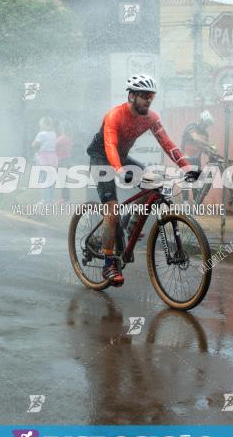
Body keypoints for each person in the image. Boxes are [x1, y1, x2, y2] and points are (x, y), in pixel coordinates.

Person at [86, 74, 200, 286]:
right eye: (144, 96)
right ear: (131, 96)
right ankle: (109, 263)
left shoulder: (151, 117)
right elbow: (110, 145)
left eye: (151, 96)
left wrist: (185, 166)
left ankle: (130, 225)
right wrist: (119, 170)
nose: (148, 100)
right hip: (102, 157)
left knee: (153, 185)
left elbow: (167, 143)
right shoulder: (114, 116)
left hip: (121, 157)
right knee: (111, 209)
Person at [181, 110, 217, 203]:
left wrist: (211, 152)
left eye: (207, 125)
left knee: (196, 182)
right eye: (205, 124)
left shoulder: (205, 133)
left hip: (197, 159)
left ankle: (196, 202)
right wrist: (209, 145)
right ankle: (185, 203)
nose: (206, 127)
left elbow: (204, 147)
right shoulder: (191, 126)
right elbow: (195, 138)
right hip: (186, 158)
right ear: (201, 120)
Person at [31, 117, 58, 204]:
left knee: (43, 179)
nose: (40, 126)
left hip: (43, 158)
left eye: (41, 124)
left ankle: (45, 200)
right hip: (53, 158)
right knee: (51, 179)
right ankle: (51, 199)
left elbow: (34, 145)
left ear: (44, 124)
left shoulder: (41, 134)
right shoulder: (54, 133)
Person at [56, 120, 73, 204]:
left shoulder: (61, 139)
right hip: (67, 160)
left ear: (62, 129)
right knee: (65, 180)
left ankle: (65, 199)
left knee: (63, 180)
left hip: (62, 161)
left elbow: (54, 148)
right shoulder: (69, 138)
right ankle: (66, 198)